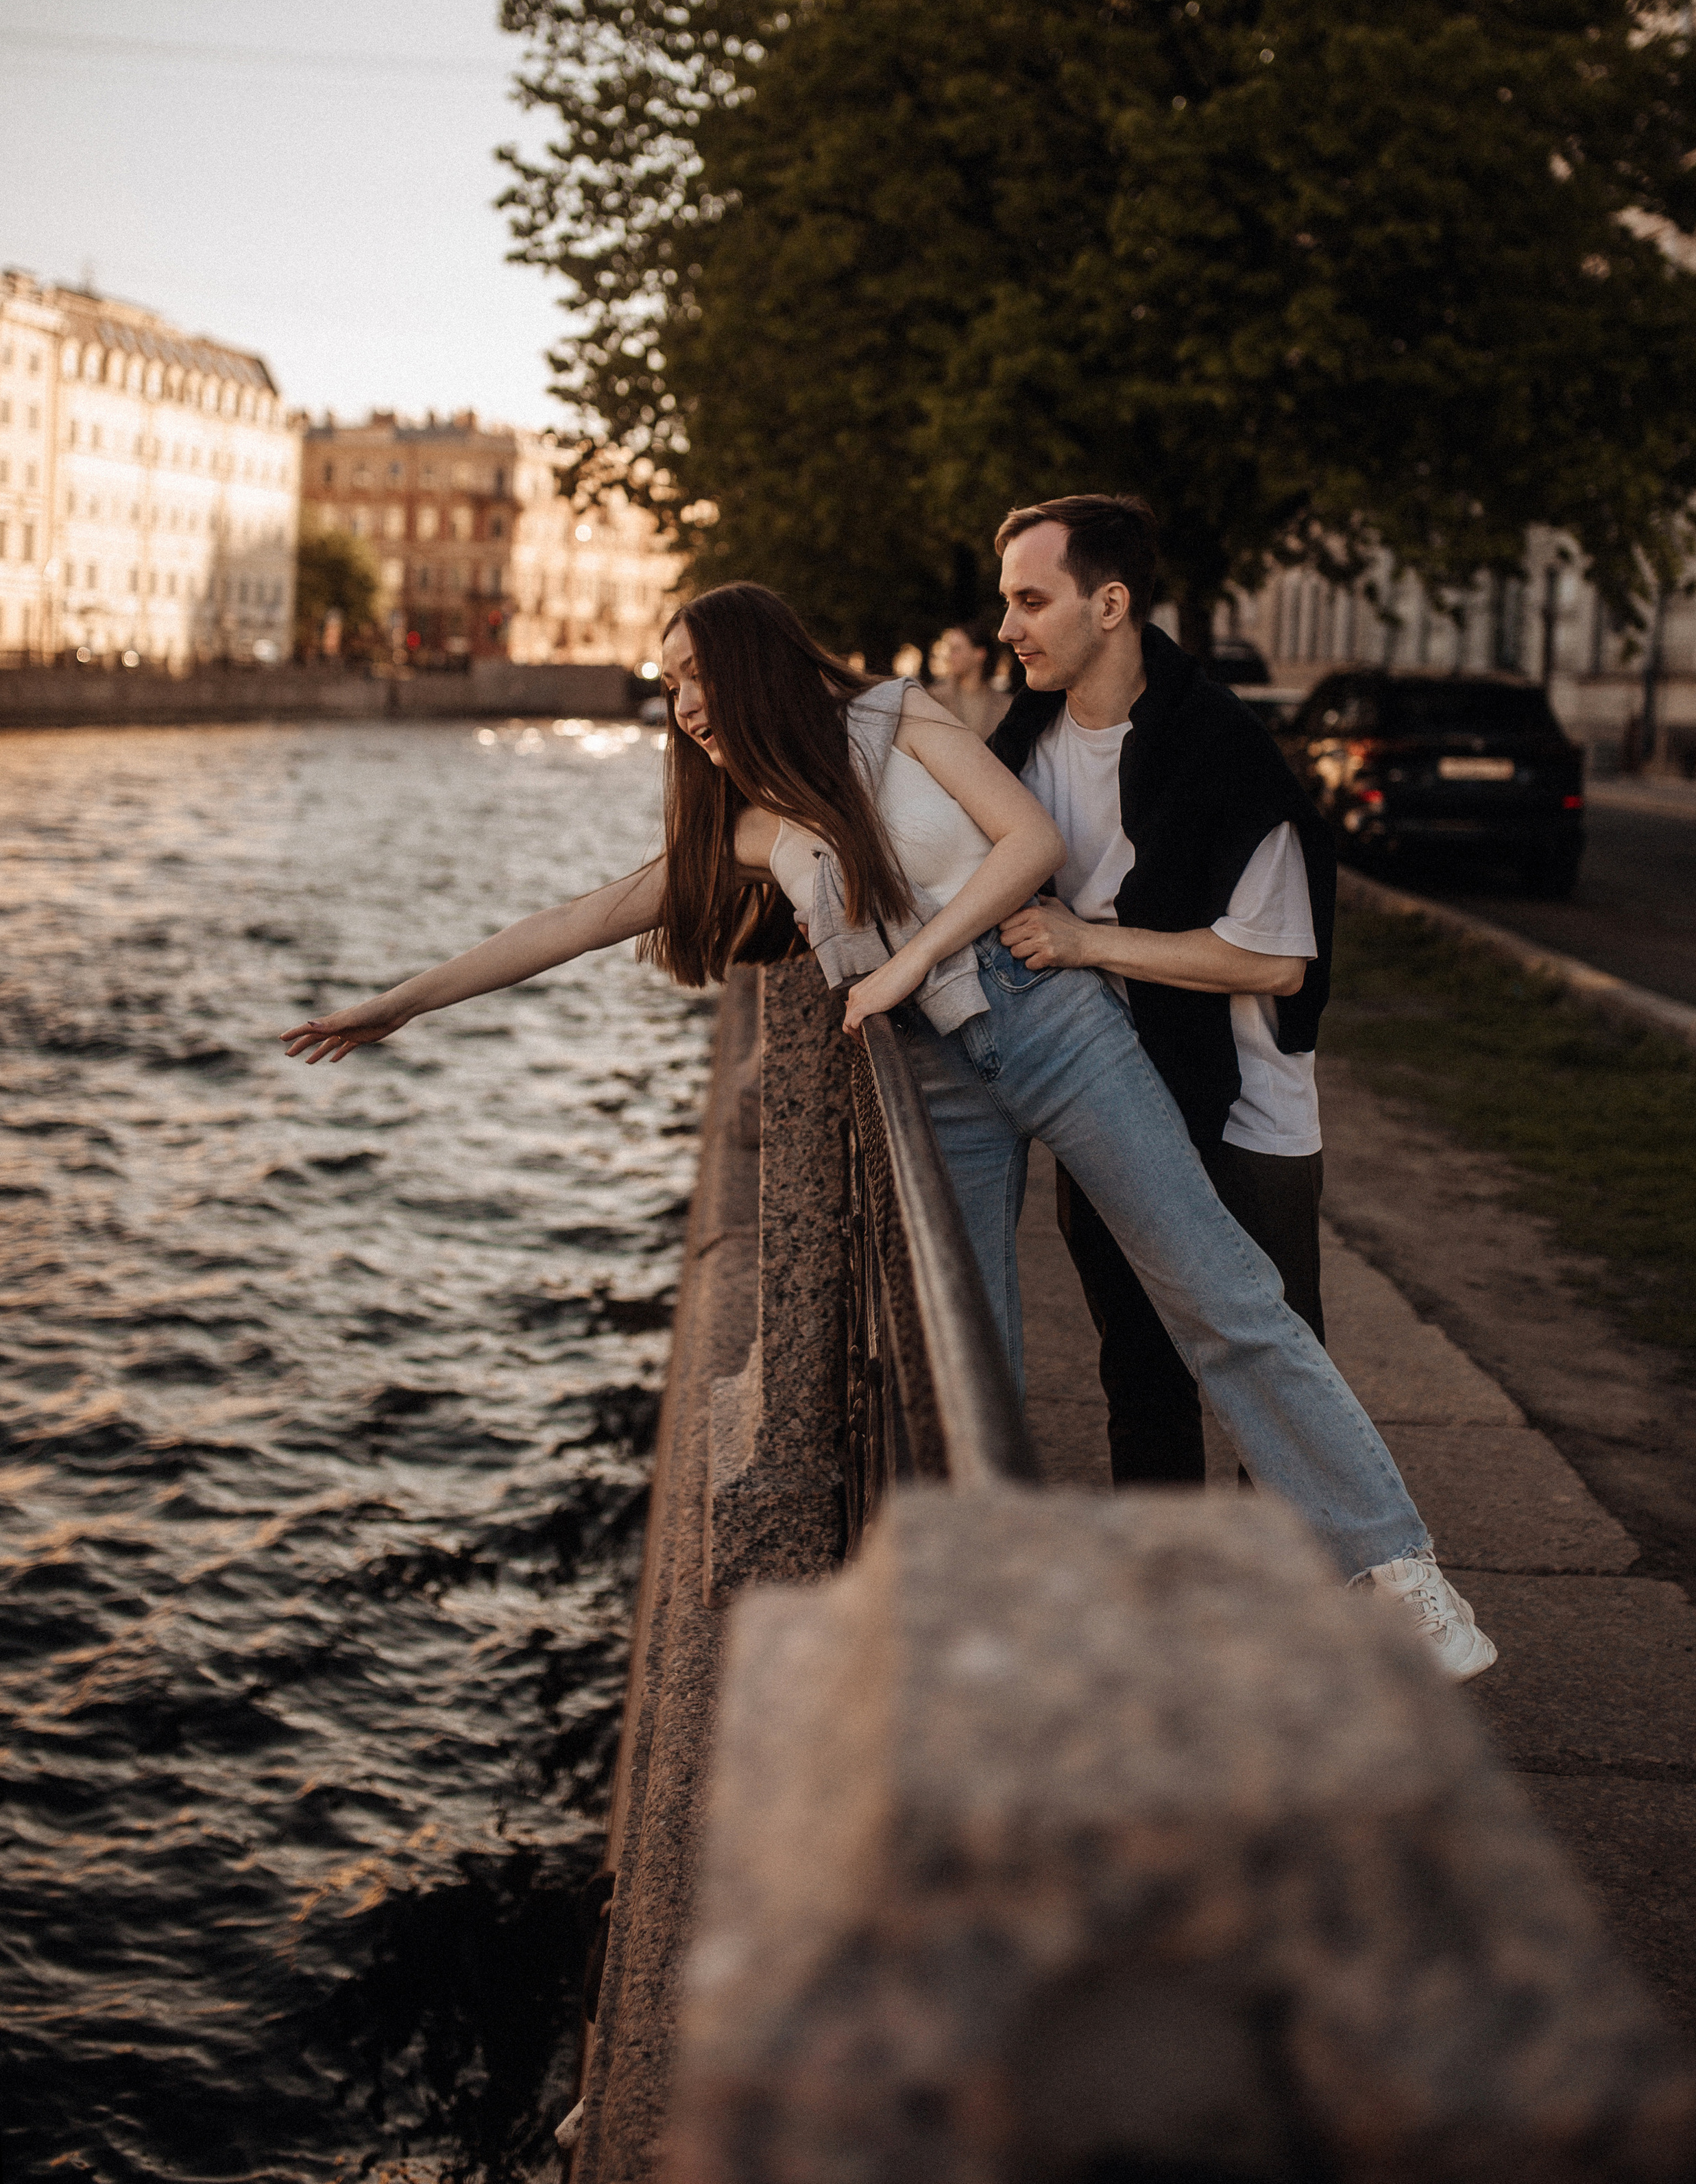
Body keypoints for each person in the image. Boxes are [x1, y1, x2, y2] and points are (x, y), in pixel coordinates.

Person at [279, 581, 1494, 1678]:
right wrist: (403, 1002)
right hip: (934, 1081)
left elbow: (1033, 845)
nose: (686, 704)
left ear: (757, 663)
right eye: (671, 687)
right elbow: (583, 916)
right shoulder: (746, 830)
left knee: (1220, 1294)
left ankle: (1400, 1576)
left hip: (1055, 1026)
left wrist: (905, 961)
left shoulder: (898, 718)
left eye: (699, 675)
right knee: (965, 1356)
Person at [987, 493, 1332, 1497]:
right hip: (1105, 1101)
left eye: (1030, 600)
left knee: (1280, 1392)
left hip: (1244, 1120)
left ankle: (1300, 1620)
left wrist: (1087, 943)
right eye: (1005, 602)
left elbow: (1276, 964)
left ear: (1110, 604)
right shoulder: (1025, 748)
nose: (1006, 629)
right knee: (1138, 1380)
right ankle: (1165, 1614)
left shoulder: (1219, 749)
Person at [928, 617, 1013, 739]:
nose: (950, 656)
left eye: (957, 649)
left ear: (980, 654)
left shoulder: (1006, 706)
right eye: (950, 649)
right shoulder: (934, 698)